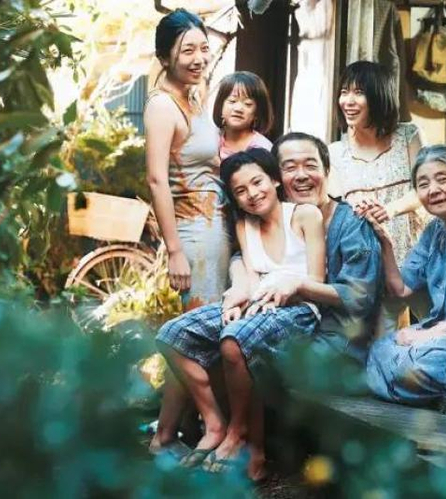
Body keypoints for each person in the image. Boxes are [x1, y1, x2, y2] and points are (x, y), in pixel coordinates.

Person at [152, 132, 382, 481]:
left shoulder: (345, 221)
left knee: (237, 344)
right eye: (290, 167)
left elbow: (357, 297)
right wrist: (240, 287)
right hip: (266, 309)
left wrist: (297, 286)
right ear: (280, 175)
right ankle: (203, 428)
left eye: (310, 165)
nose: (300, 175)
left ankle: (242, 440)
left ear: (326, 169)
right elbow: (246, 260)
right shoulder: (256, 218)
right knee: (181, 334)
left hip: (332, 337)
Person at [156, 148, 325, 477]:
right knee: (171, 335)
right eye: (241, 190)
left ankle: (238, 431)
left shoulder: (305, 215)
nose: (252, 194)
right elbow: (250, 275)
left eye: (258, 182)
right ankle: (215, 423)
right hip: (257, 305)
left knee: (234, 340)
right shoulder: (244, 224)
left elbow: (316, 280)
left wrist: (285, 290)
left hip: (299, 308)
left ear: (275, 180)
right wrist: (238, 298)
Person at [144, 8, 231, 309]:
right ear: (165, 58)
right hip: (195, 233)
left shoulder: (192, 97)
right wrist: (175, 251)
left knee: (224, 321)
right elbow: (156, 180)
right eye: (188, 51)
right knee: (204, 323)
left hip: (216, 225)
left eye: (204, 48)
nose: (199, 58)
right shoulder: (163, 107)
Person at [365, 145, 446, 405]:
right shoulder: (433, 232)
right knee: (377, 350)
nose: (433, 190)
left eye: (443, 179)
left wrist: (426, 335)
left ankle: (401, 384)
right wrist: (386, 243)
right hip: (436, 334)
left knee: (413, 366)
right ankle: (413, 387)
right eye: (423, 184)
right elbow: (401, 289)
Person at [329, 60, 426, 265]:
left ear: (379, 96)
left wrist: (390, 209)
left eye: (359, 92)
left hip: (413, 252)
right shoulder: (335, 152)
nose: (348, 101)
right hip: (363, 257)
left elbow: (423, 189)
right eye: (344, 92)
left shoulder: (408, 136)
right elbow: (335, 209)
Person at [213, 71, 273, 160]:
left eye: (247, 104)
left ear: (257, 112)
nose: (238, 109)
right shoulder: (211, 139)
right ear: (220, 106)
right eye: (232, 101)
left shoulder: (262, 148)